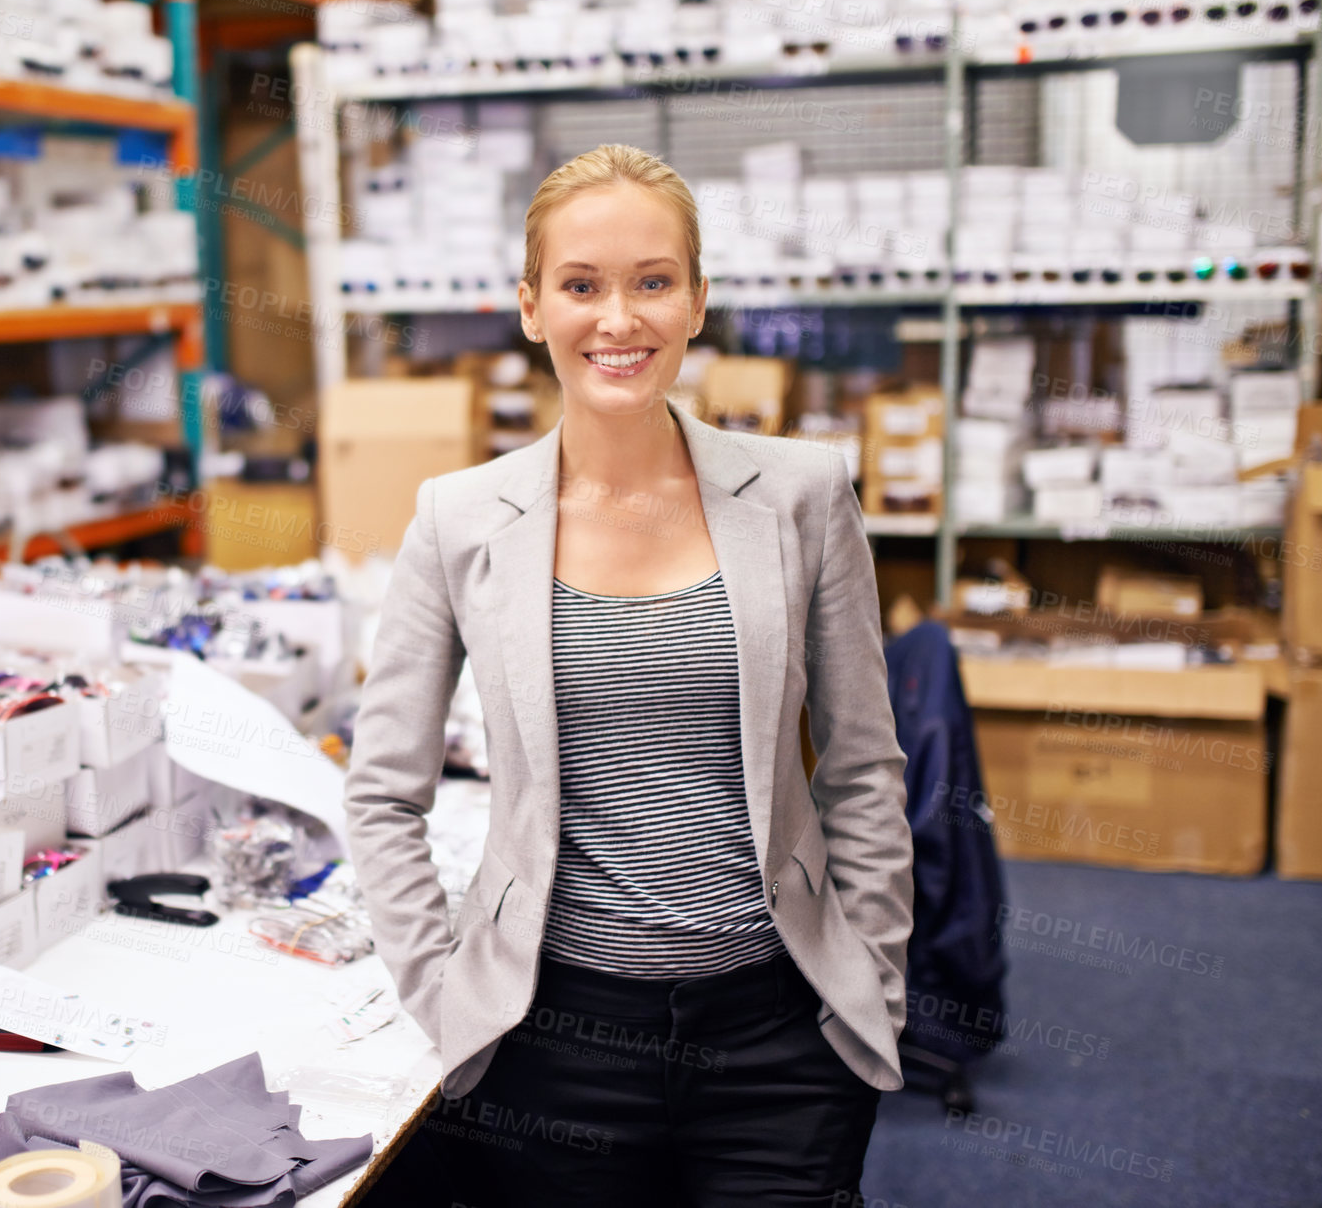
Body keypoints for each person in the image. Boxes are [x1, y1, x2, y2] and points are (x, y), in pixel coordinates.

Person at [344, 143, 913, 1208]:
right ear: (529, 306)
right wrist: (440, 993)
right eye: (582, 286)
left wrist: (870, 981)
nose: (619, 320)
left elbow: (863, 764)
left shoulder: (801, 494)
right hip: (553, 1042)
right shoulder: (457, 519)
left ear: (697, 303)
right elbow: (381, 792)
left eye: (653, 283)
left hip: (779, 1040)